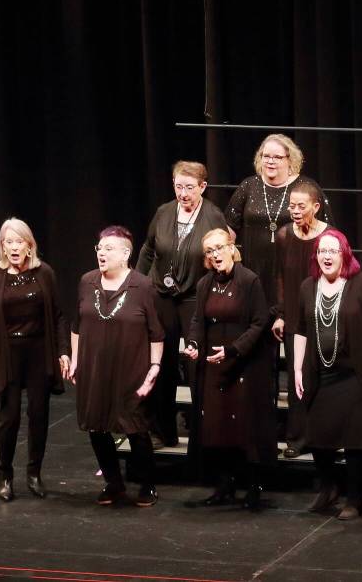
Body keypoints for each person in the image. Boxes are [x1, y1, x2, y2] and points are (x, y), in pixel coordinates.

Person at [293, 229, 362, 520]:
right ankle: (329, 487)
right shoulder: (308, 287)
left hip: (355, 376)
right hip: (321, 374)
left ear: (344, 254)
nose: (327, 256)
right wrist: (297, 367)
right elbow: (300, 330)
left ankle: (355, 499)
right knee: (318, 435)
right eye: (322, 251)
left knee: (354, 439)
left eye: (332, 251)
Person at [0, 218, 70, 502]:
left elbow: (58, 316)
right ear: (2, 246)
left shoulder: (44, 273)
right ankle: (5, 475)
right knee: (9, 417)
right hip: (8, 353)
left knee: (39, 414)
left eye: (19, 242)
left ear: (29, 246)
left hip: (39, 352)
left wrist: (63, 351)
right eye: (9, 242)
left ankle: (34, 473)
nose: (14, 248)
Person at [69, 226, 165, 507]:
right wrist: (75, 359)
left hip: (131, 369)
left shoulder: (142, 286)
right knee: (97, 426)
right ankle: (113, 483)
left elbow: (156, 333)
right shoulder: (87, 281)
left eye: (109, 249)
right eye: (99, 248)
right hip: (94, 368)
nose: (102, 253)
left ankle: (147, 484)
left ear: (125, 254)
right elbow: (77, 325)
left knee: (134, 426)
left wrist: (154, 366)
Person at [136, 160, 227, 448]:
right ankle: (162, 430)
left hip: (194, 298)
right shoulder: (164, 212)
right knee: (161, 362)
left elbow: (222, 258)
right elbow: (148, 250)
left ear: (203, 187)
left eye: (189, 187)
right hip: (161, 296)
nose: (183, 193)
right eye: (178, 187)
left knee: (196, 363)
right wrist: (137, 285)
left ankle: (202, 433)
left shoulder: (213, 216)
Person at [184, 229, 275, 509]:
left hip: (244, 363)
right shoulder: (205, 283)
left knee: (245, 426)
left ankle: (254, 486)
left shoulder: (249, 280)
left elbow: (260, 322)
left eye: (219, 248)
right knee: (218, 425)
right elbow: (198, 320)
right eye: (209, 251)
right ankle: (225, 485)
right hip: (214, 364)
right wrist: (194, 344)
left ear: (232, 248)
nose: (215, 255)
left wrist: (234, 350)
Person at [225, 133, 331, 308]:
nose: (270, 161)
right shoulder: (248, 186)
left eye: (277, 157)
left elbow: (327, 232)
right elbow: (229, 228)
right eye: (266, 156)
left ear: (290, 160)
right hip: (254, 270)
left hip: (293, 272)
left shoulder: (306, 188)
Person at [271, 180, 329, 458]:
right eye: (291, 206)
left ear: (315, 207)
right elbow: (280, 277)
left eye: (300, 206)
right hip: (295, 319)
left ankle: (324, 438)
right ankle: (297, 437)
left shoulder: (329, 238)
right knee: (298, 379)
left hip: (324, 317)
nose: (294, 210)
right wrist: (281, 315)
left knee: (323, 378)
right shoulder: (284, 235)